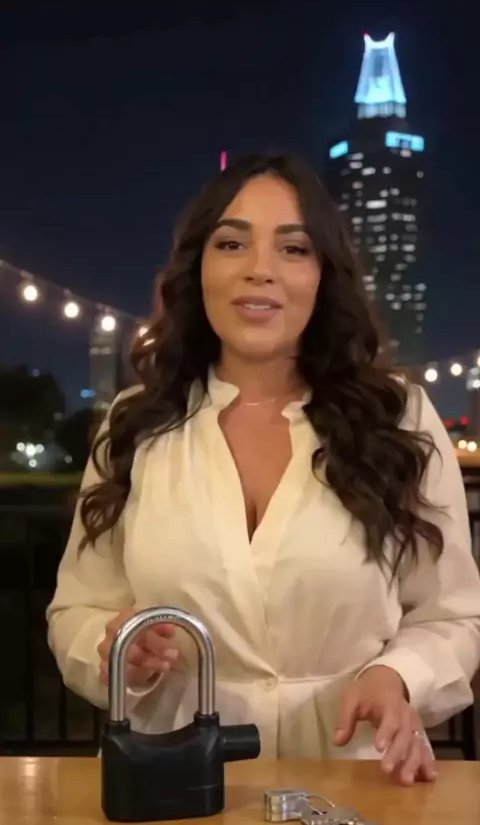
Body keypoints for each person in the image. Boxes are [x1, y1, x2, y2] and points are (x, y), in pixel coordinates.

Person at [46, 153, 480, 785]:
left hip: (355, 784)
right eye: (232, 243)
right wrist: (113, 649)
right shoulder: (134, 425)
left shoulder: (400, 418)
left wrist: (399, 675)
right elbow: (75, 611)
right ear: (198, 268)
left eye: (293, 248)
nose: (260, 269)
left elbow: (454, 616)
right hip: (172, 784)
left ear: (323, 276)